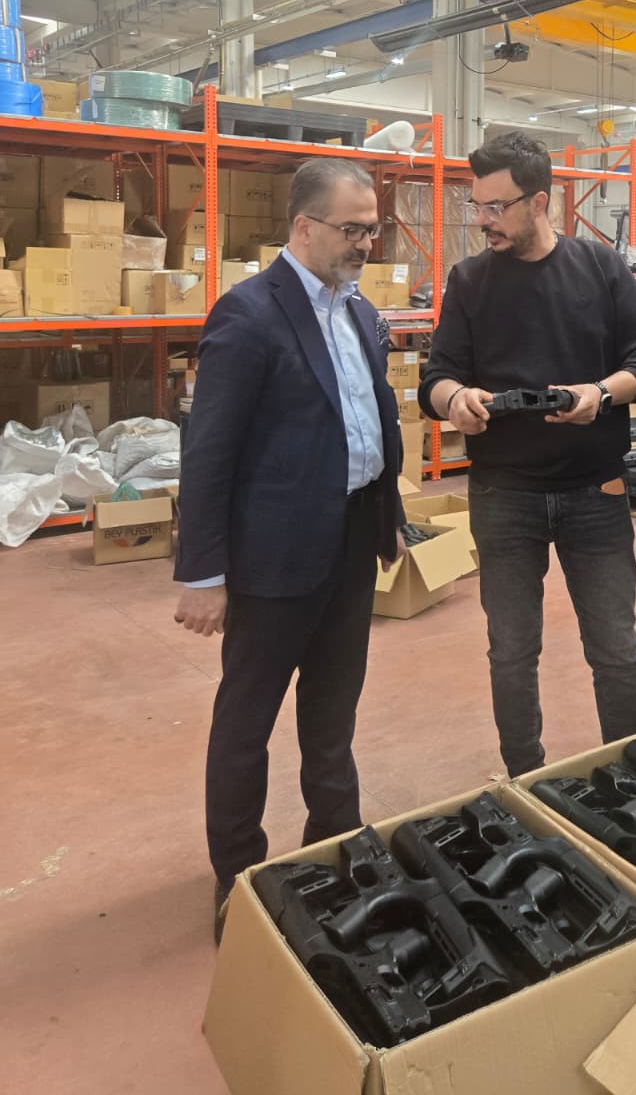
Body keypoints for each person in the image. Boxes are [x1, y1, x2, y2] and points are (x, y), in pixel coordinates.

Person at [174, 158, 407, 942]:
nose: (366, 243)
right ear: (304, 227)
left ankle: (333, 852)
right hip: (273, 559)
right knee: (247, 724)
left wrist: (388, 517)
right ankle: (237, 877)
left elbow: (374, 422)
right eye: (352, 229)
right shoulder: (248, 316)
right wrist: (204, 574)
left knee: (333, 716)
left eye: (372, 229)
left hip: (351, 544)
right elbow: (210, 452)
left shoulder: (359, 313)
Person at [418, 132, 636, 777]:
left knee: (615, 650)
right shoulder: (469, 280)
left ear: (539, 202)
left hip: (596, 492)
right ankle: (524, 779)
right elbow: (436, 377)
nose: (484, 220)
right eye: (478, 205)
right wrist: (456, 399)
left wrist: (599, 394)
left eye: (496, 207)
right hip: (503, 495)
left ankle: (632, 777)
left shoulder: (601, 268)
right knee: (510, 652)